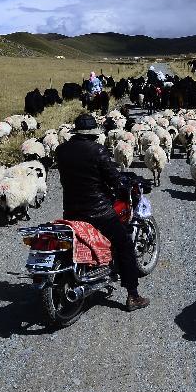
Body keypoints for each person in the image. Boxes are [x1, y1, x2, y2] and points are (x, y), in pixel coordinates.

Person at [56, 113, 150, 311]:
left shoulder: (61, 150)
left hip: (71, 211)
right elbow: (113, 179)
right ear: (92, 134)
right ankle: (133, 295)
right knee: (124, 244)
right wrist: (122, 186)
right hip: (98, 212)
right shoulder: (97, 151)